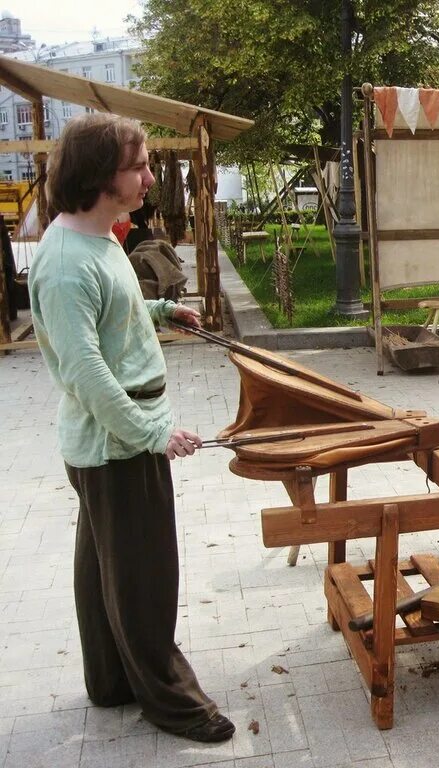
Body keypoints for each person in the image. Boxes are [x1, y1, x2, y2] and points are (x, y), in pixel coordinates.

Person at [30, 114, 235, 743]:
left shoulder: (98, 240)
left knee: (105, 570)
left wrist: (162, 307)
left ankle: (112, 681)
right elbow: (86, 370)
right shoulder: (65, 262)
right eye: (138, 165)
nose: (149, 177)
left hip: (115, 440)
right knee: (145, 574)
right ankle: (172, 702)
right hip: (117, 442)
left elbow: (110, 312)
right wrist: (150, 433)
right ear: (100, 176)